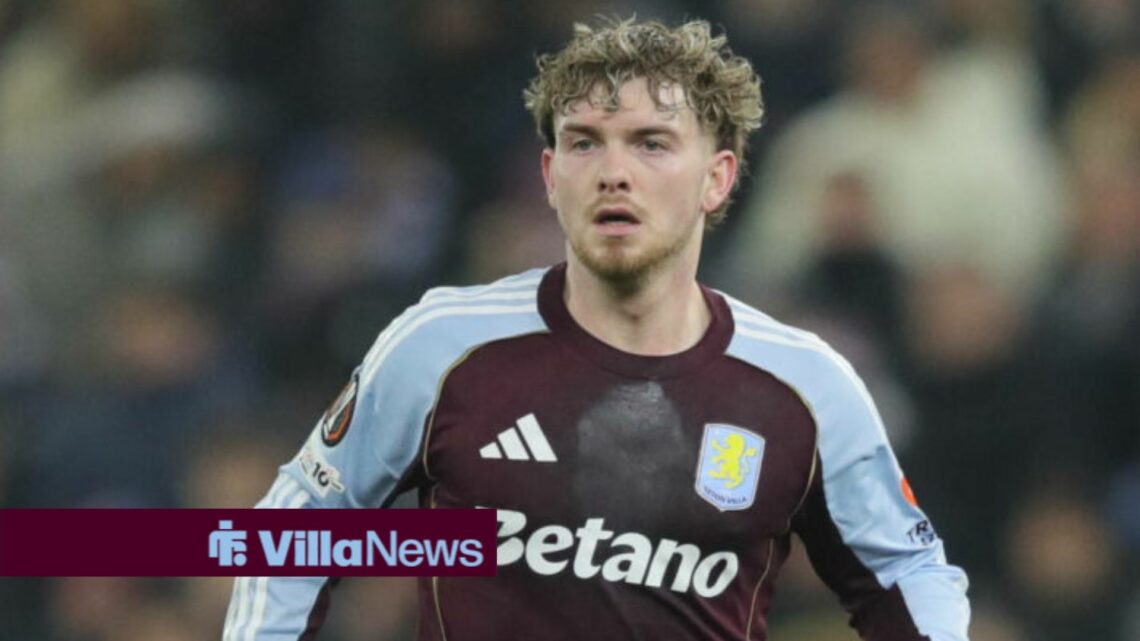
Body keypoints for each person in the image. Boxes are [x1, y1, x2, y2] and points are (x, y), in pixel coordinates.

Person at [223, 18, 971, 641]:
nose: (614, 171)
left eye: (651, 142)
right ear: (550, 176)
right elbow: (294, 530)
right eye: (585, 142)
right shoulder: (441, 347)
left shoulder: (805, 389)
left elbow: (906, 574)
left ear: (717, 177)